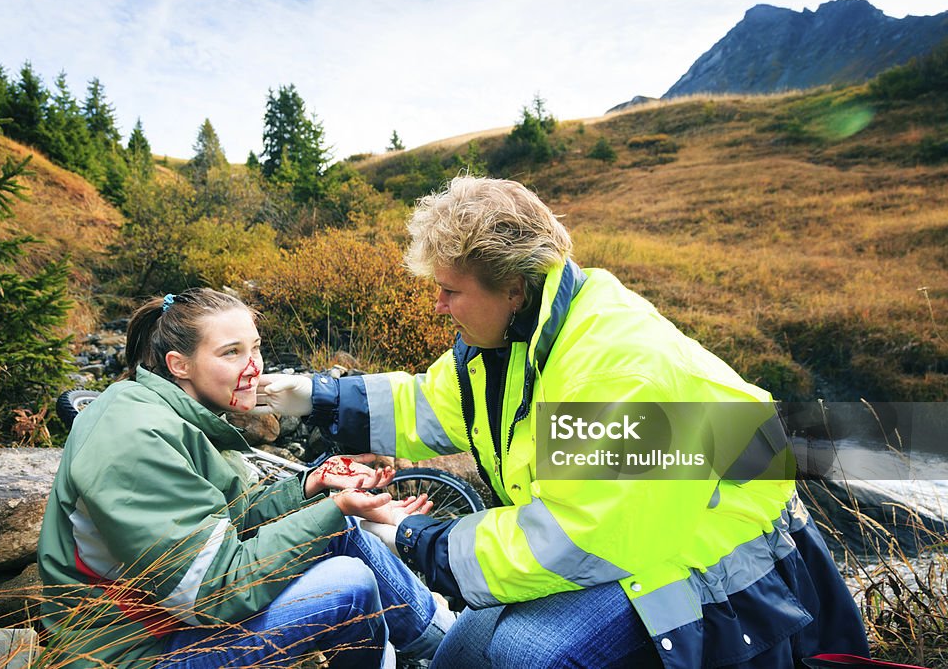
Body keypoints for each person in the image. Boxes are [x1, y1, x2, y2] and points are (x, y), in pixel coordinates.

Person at [257, 176, 870, 668]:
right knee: (463, 652)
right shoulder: (515, 337)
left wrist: (416, 541)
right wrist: (313, 398)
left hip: (706, 546)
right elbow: (435, 402)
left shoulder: (615, 367)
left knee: (526, 653)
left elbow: (580, 536)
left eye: (450, 290)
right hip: (627, 522)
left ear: (514, 287)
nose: (437, 305)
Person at [37, 287, 454, 669]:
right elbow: (213, 592)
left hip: (169, 621)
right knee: (352, 586)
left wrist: (313, 485)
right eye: (231, 353)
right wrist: (333, 508)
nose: (253, 367)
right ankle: (448, 650)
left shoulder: (173, 413)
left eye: (254, 348)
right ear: (179, 365)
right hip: (133, 652)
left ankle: (446, 646)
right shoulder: (136, 439)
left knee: (337, 527)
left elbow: (229, 516)